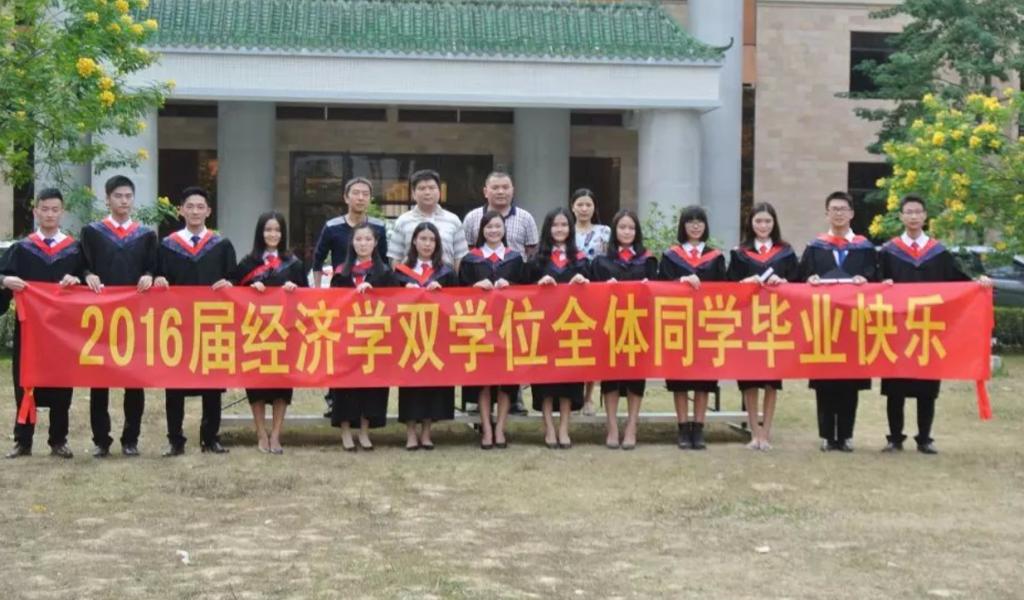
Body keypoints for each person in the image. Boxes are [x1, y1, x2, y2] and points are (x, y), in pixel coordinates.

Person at [878, 194, 992, 455]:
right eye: (909, 212)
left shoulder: (938, 253)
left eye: (918, 212)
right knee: (895, 387)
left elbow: (959, 283)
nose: (913, 216)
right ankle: (894, 438)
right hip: (897, 329)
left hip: (929, 329)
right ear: (901, 216)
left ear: (925, 216)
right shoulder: (888, 251)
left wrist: (979, 283)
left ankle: (924, 438)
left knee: (927, 387)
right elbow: (876, 283)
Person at [154, 187, 237, 457]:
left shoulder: (221, 245)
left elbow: (234, 278)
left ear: (208, 211)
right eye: (189, 206)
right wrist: (158, 279)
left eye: (200, 207)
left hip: (212, 322)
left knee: (212, 382)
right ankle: (175, 439)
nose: (195, 211)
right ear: (180, 210)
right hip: (177, 324)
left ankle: (210, 437)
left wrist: (230, 283)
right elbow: (157, 275)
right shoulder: (167, 245)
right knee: (175, 382)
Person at [1, 189, 83, 459]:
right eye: (44, 209)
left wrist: (77, 280)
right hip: (30, 331)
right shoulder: (22, 249)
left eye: (54, 209)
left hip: (62, 332)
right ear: (35, 211)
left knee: (62, 383)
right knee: (25, 382)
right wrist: (4, 281)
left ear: (62, 212)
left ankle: (58, 440)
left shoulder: (73, 250)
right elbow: (2, 275)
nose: (49, 214)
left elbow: (87, 279)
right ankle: (23, 441)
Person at [81, 174, 159, 458]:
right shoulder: (92, 233)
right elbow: (81, 265)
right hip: (100, 316)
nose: (124, 201)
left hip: (135, 316)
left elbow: (154, 267)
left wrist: (150, 275)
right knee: (99, 381)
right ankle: (101, 439)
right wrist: (87, 275)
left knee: (133, 380)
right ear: (107, 200)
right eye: (118, 196)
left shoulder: (146, 235)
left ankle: (130, 439)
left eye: (128, 196)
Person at [798, 191, 877, 453]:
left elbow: (877, 278)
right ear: (826, 214)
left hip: (854, 324)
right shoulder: (815, 247)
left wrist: (866, 281)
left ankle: (845, 435)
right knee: (824, 380)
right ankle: (826, 435)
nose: (839, 213)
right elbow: (799, 278)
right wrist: (808, 280)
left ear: (852, 213)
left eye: (843, 209)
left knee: (849, 381)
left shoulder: (865, 248)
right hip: (823, 323)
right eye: (834, 209)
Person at [462, 172, 538, 415]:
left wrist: (514, 283)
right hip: (479, 311)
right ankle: (476, 401)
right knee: (479, 352)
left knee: (509, 352)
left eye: (505, 187)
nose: (501, 191)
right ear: (486, 191)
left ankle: (514, 399)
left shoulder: (525, 218)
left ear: (513, 189)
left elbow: (531, 257)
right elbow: (464, 256)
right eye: (495, 187)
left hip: (510, 307)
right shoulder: (472, 218)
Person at [230, 211, 306, 455]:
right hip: (256, 334)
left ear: (283, 234)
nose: (272, 234)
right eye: (268, 230)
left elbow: (308, 298)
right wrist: (249, 289)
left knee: (283, 385)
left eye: (277, 230)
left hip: (284, 334)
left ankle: (276, 434)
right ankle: (261, 433)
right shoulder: (247, 263)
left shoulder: (294, 264)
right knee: (257, 385)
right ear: (260, 233)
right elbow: (232, 293)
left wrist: (295, 289)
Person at [311, 177, 387, 416]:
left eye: (365, 193)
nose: (360, 197)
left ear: (370, 198)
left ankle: (366, 405)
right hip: (341, 299)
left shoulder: (379, 227)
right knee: (340, 350)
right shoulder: (332, 227)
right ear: (346, 197)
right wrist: (319, 295)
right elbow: (317, 261)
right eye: (356, 193)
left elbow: (384, 263)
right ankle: (335, 400)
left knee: (367, 352)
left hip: (371, 303)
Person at [727, 202, 799, 451]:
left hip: (776, 322)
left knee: (771, 379)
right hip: (748, 322)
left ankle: (766, 432)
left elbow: (799, 285)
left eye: (768, 221)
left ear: (774, 223)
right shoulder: (739, 253)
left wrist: (784, 281)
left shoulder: (786, 252)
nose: (763, 225)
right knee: (749, 378)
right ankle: (754, 432)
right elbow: (728, 287)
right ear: (750, 223)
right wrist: (744, 282)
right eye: (758, 221)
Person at [657, 205, 727, 451]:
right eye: (690, 221)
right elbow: (661, 287)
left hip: (707, 324)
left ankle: (698, 427)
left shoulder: (716, 256)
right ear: (683, 226)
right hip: (679, 324)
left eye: (700, 221)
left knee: (703, 378)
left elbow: (724, 289)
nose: (695, 226)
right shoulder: (671, 256)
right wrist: (681, 281)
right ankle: (682, 427)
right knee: (679, 377)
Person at [459, 210, 527, 449]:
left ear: (504, 229)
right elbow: (458, 292)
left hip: (508, 327)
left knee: (506, 380)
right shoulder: (471, 259)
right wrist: (475, 286)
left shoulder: (515, 258)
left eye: (498, 226)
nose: (493, 231)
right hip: (480, 329)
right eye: (489, 227)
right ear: (482, 230)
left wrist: (512, 285)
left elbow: (527, 292)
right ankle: (486, 429)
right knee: (484, 380)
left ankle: (500, 429)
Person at [590, 209, 658, 450]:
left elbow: (658, 292)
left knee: (636, 376)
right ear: (615, 231)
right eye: (622, 227)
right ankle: (611, 426)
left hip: (638, 325)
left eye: (631, 228)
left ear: (636, 232)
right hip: (610, 325)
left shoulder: (648, 260)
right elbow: (590, 295)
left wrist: (649, 288)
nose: (627, 232)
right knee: (610, 376)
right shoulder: (601, 261)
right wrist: (603, 288)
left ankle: (631, 426)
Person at [527, 207, 590, 449]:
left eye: (564, 225)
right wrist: (538, 283)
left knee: (568, 379)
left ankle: (564, 427)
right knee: (545, 380)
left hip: (571, 328)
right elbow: (522, 291)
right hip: (543, 329)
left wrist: (583, 282)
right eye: (555, 225)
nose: (560, 229)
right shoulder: (537, 260)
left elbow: (594, 293)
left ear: (570, 228)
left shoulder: (580, 259)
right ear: (548, 228)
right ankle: (549, 427)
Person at [393, 222, 458, 450]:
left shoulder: (446, 272)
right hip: (409, 337)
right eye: (423, 239)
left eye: (432, 240)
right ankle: (411, 432)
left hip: (437, 336)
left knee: (433, 384)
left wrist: (443, 293)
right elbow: (389, 303)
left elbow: (457, 303)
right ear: (414, 241)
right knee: (410, 385)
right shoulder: (401, 272)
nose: (427, 244)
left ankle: (427, 432)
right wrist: (404, 293)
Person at [330, 222, 394, 452]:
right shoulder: (341, 272)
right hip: (347, 337)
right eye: (358, 239)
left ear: (375, 243)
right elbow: (332, 303)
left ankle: (365, 431)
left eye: (368, 239)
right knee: (345, 385)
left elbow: (394, 302)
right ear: (352, 243)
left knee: (371, 385)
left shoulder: (384, 272)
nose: (363, 244)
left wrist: (374, 292)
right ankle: (346, 431)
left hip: (375, 338)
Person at [570, 188, 610, 416]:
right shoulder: (566, 230)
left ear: (594, 208)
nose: (584, 209)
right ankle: (572, 395)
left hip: (596, 293)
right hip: (571, 293)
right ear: (573, 207)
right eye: (580, 204)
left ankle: (588, 396)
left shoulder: (605, 232)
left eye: (588, 205)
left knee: (593, 344)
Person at [387, 169, 468, 269]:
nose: (427, 192)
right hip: (411, 278)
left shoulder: (453, 220)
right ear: (413, 194)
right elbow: (395, 258)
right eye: (422, 188)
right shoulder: (403, 221)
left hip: (445, 277)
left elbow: (460, 258)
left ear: (439, 191)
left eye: (432, 188)